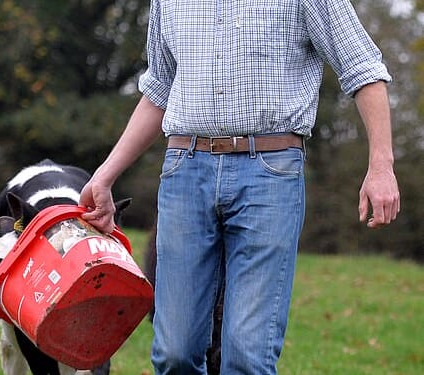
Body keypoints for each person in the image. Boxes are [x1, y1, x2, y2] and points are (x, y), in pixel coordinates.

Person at [79, 1, 400, 374]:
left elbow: (363, 68)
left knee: (247, 355)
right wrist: (104, 175)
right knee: (173, 352)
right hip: (185, 170)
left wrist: (381, 165)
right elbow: (160, 89)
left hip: (269, 173)